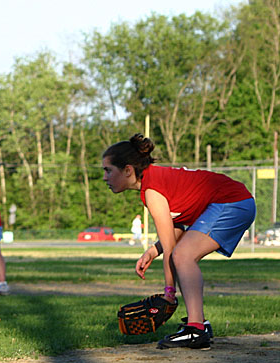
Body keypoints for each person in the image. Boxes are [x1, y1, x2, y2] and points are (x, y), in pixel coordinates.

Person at [102, 134, 256, 350]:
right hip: (235, 200)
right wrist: (153, 251)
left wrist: (169, 294)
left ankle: (196, 330)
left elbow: (173, 250)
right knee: (183, 255)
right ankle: (199, 325)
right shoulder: (154, 181)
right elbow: (176, 231)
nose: (105, 177)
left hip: (231, 203)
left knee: (183, 256)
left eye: (108, 170)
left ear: (128, 170)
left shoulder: (152, 191)